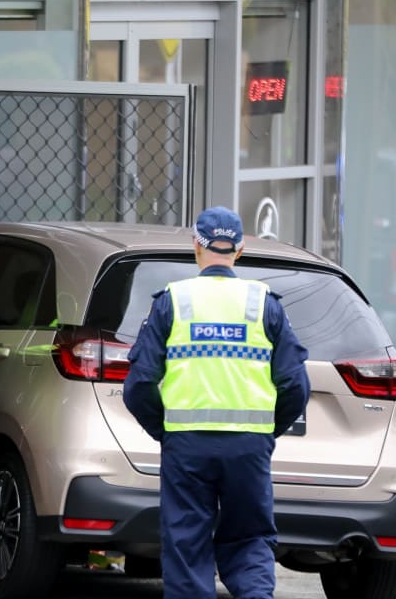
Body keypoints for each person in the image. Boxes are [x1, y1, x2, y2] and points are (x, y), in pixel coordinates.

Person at [122, 206, 310, 599]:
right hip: (249, 448)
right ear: (239, 250)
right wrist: (264, 432)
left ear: (196, 246)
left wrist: (167, 431)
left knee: (187, 544)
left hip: (186, 447)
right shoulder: (264, 304)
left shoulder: (173, 302)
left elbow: (138, 386)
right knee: (250, 539)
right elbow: (295, 385)